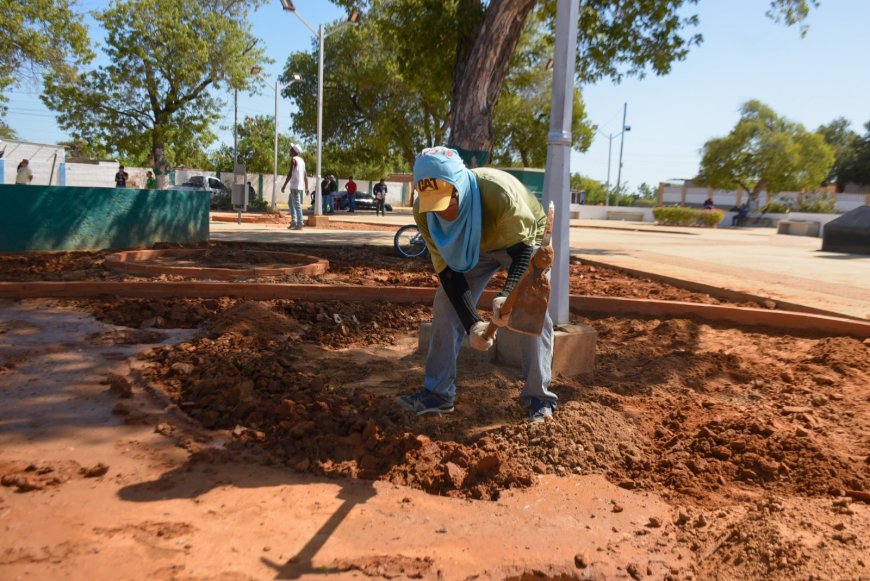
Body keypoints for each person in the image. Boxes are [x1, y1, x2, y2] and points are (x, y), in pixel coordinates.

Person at [394, 147, 556, 424]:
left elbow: (522, 253)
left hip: (523, 241)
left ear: (460, 185)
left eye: (448, 200)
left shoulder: (497, 192)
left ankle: (538, 398)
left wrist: (507, 296)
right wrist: (474, 325)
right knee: (445, 303)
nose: (443, 211)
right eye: (435, 203)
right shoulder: (424, 212)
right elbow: (449, 275)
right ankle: (438, 393)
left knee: (530, 309)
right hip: (474, 245)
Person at [280, 144, 309, 230]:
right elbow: (305, 176)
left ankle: (300, 224)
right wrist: (306, 188)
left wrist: (284, 185)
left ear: (294, 151)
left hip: (295, 186)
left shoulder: (293, 160)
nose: (289, 151)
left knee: (297, 205)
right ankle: (294, 221)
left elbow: (290, 173)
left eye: (291, 149)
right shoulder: (302, 161)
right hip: (299, 187)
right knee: (290, 202)